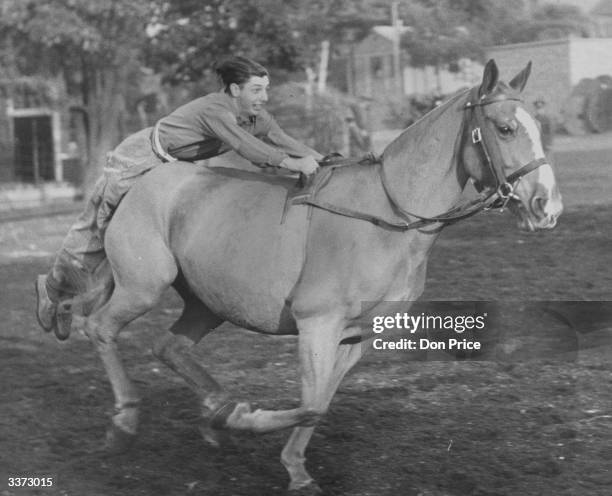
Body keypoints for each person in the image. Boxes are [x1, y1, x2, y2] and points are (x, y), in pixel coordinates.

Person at [36, 56, 323, 337]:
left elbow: (283, 140)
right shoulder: (217, 111)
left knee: (123, 243)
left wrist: (326, 162)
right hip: (138, 159)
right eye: (257, 90)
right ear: (235, 90)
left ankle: (70, 299)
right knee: (97, 230)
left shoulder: (255, 117)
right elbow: (246, 147)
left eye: (267, 89)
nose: (265, 97)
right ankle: (52, 290)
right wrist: (293, 164)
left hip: (171, 167)